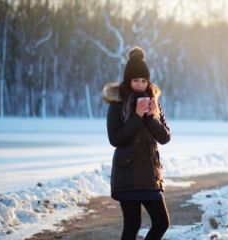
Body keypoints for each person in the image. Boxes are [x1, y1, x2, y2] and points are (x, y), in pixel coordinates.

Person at [102, 46, 171, 240]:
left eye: (143, 80)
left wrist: (150, 117)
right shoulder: (117, 104)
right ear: (128, 80)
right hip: (127, 175)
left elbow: (165, 137)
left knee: (162, 223)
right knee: (132, 225)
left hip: (150, 175)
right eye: (135, 80)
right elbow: (115, 139)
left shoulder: (154, 103)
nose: (140, 85)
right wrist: (137, 116)